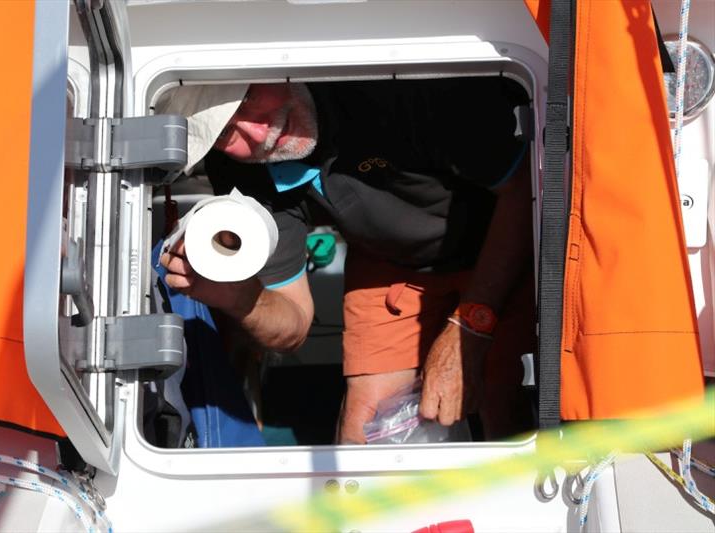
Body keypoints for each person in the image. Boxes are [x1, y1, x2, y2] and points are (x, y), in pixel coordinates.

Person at [157, 78, 535, 443]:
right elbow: (294, 323)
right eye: (224, 132)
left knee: (501, 404)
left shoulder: (399, 87)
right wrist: (238, 297)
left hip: (499, 239)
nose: (258, 133)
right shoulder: (243, 170)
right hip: (390, 262)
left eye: (247, 99)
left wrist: (469, 328)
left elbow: (525, 187)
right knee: (362, 434)